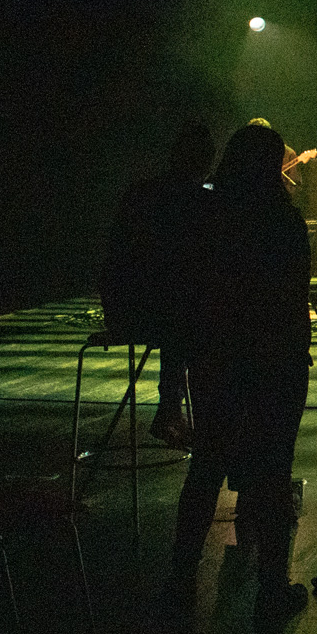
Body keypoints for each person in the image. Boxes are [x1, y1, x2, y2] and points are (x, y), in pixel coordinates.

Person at [164, 122, 315, 620]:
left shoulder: (206, 219)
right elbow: (294, 298)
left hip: (217, 360)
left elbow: (189, 296)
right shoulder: (284, 221)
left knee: (206, 467)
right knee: (273, 476)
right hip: (276, 361)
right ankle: (272, 590)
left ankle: (179, 583)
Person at [100, 122, 217, 450]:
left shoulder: (140, 192)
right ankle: (196, 419)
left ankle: (174, 411)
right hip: (160, 315)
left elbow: (116, 260)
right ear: (205, 163)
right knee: (195, 315)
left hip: (125, 308)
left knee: (183, 306)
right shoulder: (199, 202)